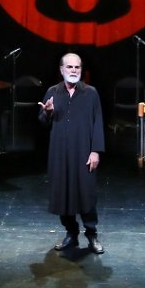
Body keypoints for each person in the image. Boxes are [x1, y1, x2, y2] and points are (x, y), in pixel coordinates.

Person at [38, 52, 106, 254]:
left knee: (86, 194)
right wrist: (47, 112)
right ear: (61, 70)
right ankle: (71, 233)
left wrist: (95, 151)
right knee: (63, 194)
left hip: (83, 151)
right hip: (59, 153)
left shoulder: (91, 93)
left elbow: (98, 123)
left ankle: (92, 235)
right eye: (69, 67)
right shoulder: (52, 92)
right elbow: (42, 121)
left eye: (77, 67)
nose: (74, 70)